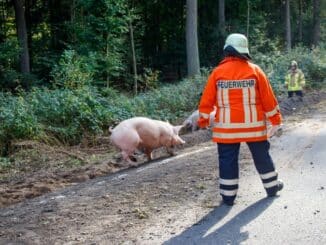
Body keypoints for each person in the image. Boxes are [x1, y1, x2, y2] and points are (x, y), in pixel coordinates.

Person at [197, 33, 283, 206]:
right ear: (244, 51)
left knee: (227, 159)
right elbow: (268, 99)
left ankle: (228, 196)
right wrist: (275, 120)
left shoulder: (217, 73)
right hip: (254, 127)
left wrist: (204, 121)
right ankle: (272, 187)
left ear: (227, 50)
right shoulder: (255, 70)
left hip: (226, 129)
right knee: (261, 156)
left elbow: (206, 101)